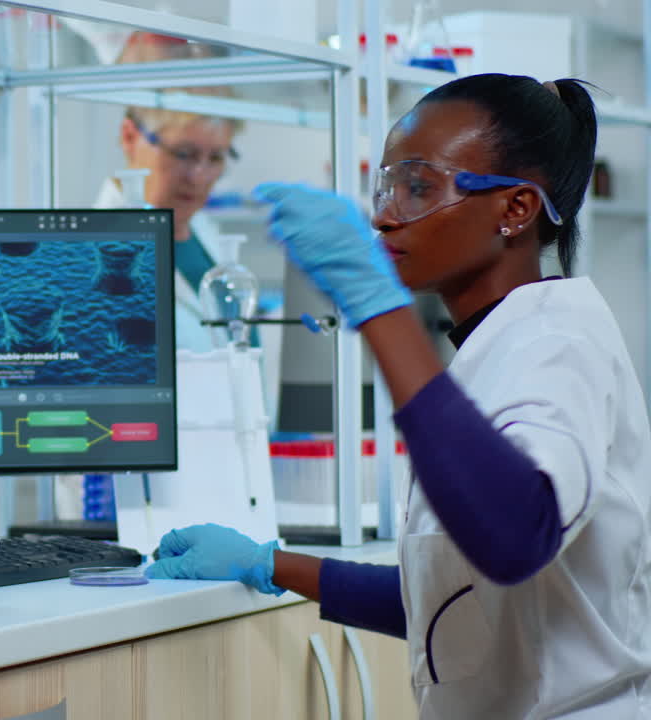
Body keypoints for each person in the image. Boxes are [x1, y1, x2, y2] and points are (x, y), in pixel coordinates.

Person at [147, 73, 651, 717]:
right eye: (387, 186)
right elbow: (456, 613)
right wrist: (269, 565)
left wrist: (377, 308)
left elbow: (513, 537)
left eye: (419, 187)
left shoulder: (556, 344)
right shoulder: (496, 346)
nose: (385, 215)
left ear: (516, 209)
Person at [92, 32, 241, 353]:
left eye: (215, 157)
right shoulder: (99, 254)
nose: (198, 176)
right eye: (183, 153)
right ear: (130, 136)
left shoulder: (203, 233)